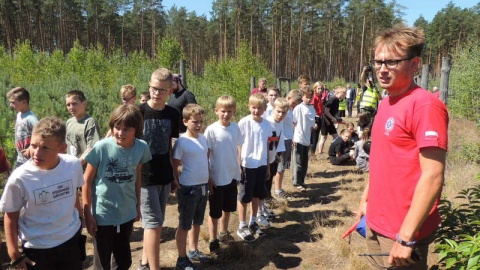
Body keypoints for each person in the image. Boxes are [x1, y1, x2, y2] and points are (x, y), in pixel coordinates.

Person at [355, 24, 448, 269]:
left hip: (401, 231)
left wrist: (406, 236)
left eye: (392, 62)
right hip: (376, 221)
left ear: (414, 64)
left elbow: (433, 175)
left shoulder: (425, 106)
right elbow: (382, 161)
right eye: (378, 62)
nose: (382, 70)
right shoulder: (386, 102)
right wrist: (366, 201)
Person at [0, 117, 84, 270]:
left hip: (70, 240)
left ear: (61, 148)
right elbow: (10, 216)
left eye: (45, 148)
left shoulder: (73, 165)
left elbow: (74, 196)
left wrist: (81, 219)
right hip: (37, 249)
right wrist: (14, 253)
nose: (36, 153)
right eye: (33, 145)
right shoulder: (20, 178)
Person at [82, 104, 151, 270]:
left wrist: (137, 206)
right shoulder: (101, 147)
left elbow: (137, 178)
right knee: (102, 262)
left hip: (126, 213)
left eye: (126, 129)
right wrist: (88, 213)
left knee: (124, 261)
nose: (120, 133)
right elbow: (86, 181)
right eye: (117, 127)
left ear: (137, 129)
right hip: (103, 215)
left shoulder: (141, 147)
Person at [138, 68, 180, 270]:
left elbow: (170, 148)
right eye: (153, 88)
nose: (156, 93)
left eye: (162, 90)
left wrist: (174, 175)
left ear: (169, 91)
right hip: (144, 177)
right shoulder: (138, 113)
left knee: (157, 222)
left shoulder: (173, 114)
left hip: (164, 175)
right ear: (149, 86)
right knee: (153, 224)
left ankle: (145, 263)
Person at [172, 104, 210, 269]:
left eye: (201, 121)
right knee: (185, 223)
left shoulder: (203, 138)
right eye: (195, 122)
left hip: (203, 186)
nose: (199, 125)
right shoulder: (182, 141)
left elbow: (205, 160)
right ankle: (181, 258)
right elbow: (175, 164)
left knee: (197, 221)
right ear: (185, 121)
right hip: (188, 188)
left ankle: (193, 249)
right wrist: (175, 182)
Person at [204, 95, 243, 252]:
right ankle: (213, 239)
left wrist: (239, 167)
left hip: (231, 175)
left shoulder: (235, 128)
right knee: (215, 211)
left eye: (229, 111)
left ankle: (223, 232)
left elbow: (238, 147)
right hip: (216, 178)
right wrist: (208, 177)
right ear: (216, 111)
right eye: (223, 111)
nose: (226, 114)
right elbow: (205, 154)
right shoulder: (211, 130)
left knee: (228, 208)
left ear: (234, 112)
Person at [237, 93, 273, 242]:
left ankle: (253, 221)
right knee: (245, 195)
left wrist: (268, 166)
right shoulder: (244, 122)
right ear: (249, 107)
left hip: (261, 164)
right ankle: (242, 225)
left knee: (257, 194)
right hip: (247, 164)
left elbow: (266, 144)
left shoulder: (267, 124)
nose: (256, 111)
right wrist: (239, 163)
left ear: (264, 109)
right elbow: (238, 144)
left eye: (259, 108)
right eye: (253, 107)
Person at [260, 97, 288, 227]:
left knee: (268, 185)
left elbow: (279, 139)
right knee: (262, 188)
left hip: (272, 158)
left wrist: (278, 154)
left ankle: (264, 208)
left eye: (283, 113)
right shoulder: (267, 123)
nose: (280, 115)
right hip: (263, 160)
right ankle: (259, 212)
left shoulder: (280, 123)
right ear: (273, 109)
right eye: (278, 111)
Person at [274, 90, 302, 201]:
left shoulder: (290, 111)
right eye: (293, 103)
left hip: (288, 140)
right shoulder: (281, 111)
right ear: (289, 98)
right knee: (280, 167)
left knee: (283, 166)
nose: (294, 105)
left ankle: (279, 188)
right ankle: (277, 190)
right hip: (283, 141)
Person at [65, 90, 101, 167]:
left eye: (74, 104)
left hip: (85, 168)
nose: (71, 107)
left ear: (84, 104)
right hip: (70, 167)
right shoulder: (69, 122)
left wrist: (77, 164)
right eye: (68, 105)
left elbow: (92, 148)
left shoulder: (90, 122)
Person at [6, 87, 39, 168]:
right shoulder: (19, 115)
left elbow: (41, 134)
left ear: (24, 102)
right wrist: (19, 88)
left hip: (30, 161)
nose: (11, 105)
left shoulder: (31, 119)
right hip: (20, 158)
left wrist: (30, 148)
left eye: (13, 102)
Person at [292, 86, 315, 192]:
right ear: (303, 97)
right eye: (307, 97)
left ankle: (302, 180)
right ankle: (296, 182)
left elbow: (312, 123)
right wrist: (293, 137)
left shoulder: (312, 108)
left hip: (307, 138)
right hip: (299, 137)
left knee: (305, 161)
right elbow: (294, 123)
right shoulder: (298, 108)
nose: (309, 99)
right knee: (298, 161)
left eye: (311, 97)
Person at [316, 87, 346, 155]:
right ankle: (320, 153)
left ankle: (335, 151)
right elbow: (326, 111)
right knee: (323, 137)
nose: (343, 96)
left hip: (330, 121)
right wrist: (333, 118)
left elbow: (333, 113)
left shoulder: (337, 100)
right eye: (342, 94)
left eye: (344, 95)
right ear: (338, 93)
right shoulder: (332, 99)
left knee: (336, 136)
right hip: (325, 120)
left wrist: (339, 119)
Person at [310, 82, 325, 155]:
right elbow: (312, 109)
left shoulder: (319, 97)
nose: (320, 90)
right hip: (315, 118)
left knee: (316, 137)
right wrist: (314, 121)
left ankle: (312, 153)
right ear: (315, 89)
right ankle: (311, 154)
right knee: (314, 137)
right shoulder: (314, 97)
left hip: (320, 117)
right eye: (318, 88)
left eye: (321, 88)